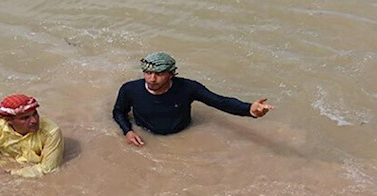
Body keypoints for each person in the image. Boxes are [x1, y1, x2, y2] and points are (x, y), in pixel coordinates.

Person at [112, 51, 274, 147]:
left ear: (172, 74)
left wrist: (249, 109)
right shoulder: (130, 89)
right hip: (145, 136)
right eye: (147, 73)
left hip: (183, 133)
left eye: (159, 74)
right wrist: (128, 131)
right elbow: (119, 111)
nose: (152, 79)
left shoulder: (188, 88)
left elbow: (219, 101)